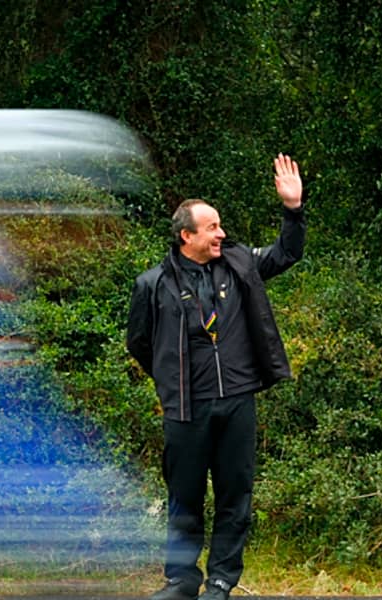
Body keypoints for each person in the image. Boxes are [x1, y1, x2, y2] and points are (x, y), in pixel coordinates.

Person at [126, 154, 305, 600]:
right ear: (187, 235)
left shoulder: (240, 264)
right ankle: (182, 581)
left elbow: (287, 252)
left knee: (234, 497)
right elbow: (140, 344)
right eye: (212, 228)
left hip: (238, 401)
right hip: (186, 408)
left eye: (221, 227)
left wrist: (293, 209)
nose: (221, 234)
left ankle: (222, 581)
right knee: (184, 498)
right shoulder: (152, 284)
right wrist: (171, 379)